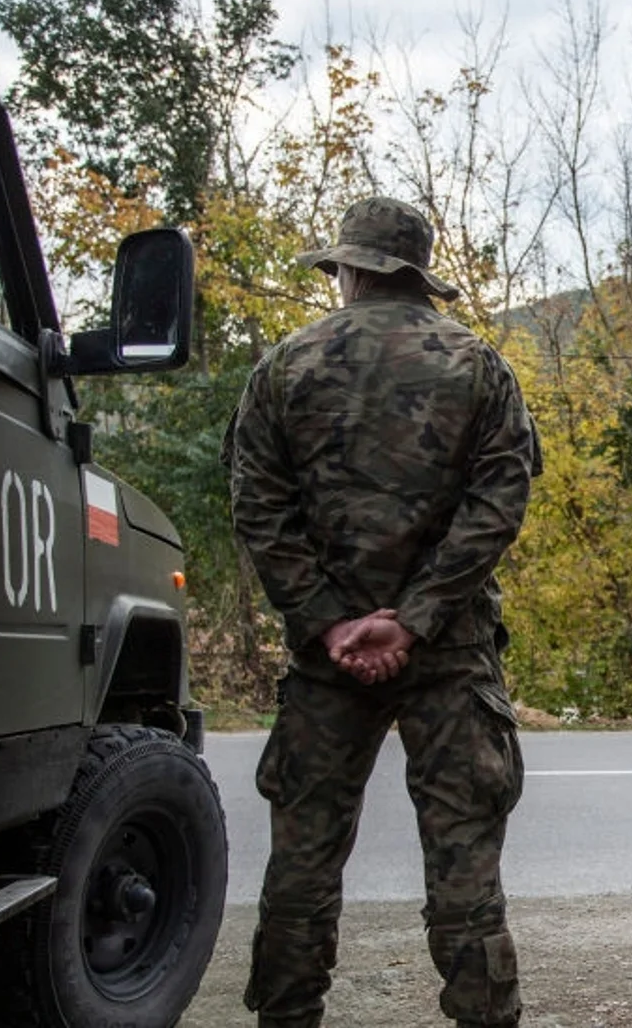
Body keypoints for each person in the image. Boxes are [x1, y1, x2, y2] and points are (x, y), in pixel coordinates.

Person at [227, 196, 540, 1028]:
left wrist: (329, 619)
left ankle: (286, 1019)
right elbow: (498, 502)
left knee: (303, 863)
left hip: (325, 660)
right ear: (413, 274)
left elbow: (259, 507)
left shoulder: (284, 366)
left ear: (351, 270)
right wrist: (418, 616)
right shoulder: (478, 366)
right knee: (464, 865)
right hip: (449, 652)